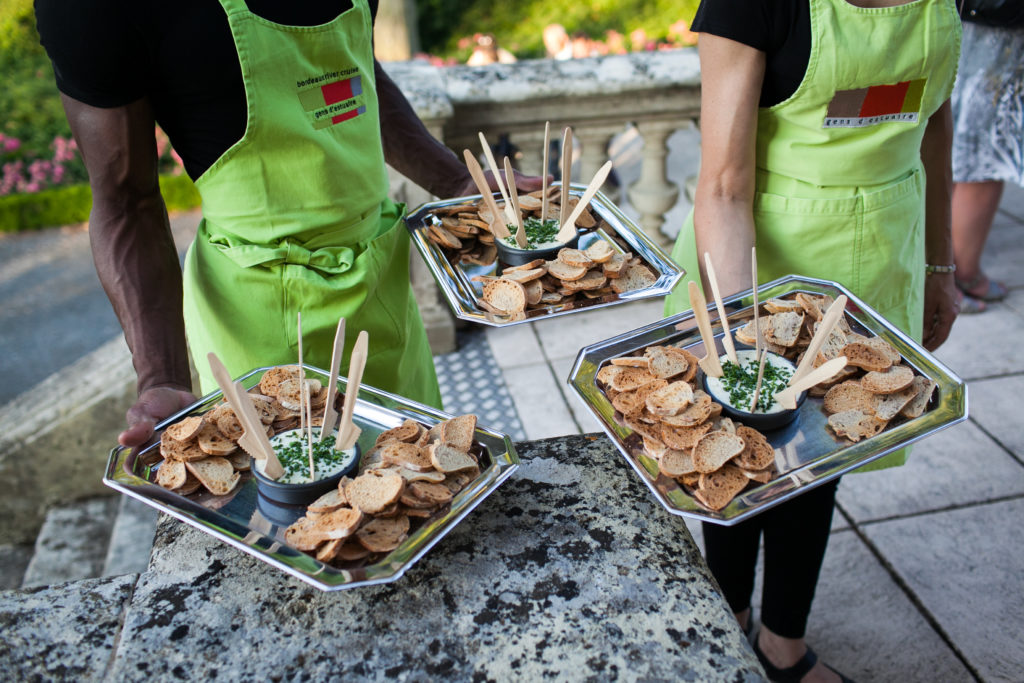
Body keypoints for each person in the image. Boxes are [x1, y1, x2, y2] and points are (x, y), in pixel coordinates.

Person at [34, 0, 540, 448]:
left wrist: (456, 181)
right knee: (308, 525)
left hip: (382, 292)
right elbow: (127, 203)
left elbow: (352, 69)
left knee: (424, 477)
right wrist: (162, 376)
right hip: (260, 324)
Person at [663, 1, 961, 681]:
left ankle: (782, 641)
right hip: (761, 262)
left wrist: (940, 265)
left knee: (824, 453)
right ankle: (730, 616)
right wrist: (741, 344)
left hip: (878, 258)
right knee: (740, 455)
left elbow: (934, 122)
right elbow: (724, 184)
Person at [950, 20, 1024, 313]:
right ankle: (960, 275)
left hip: (961, 22)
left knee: (956, 142)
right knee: (983, 153)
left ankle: (947, 274)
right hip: (995, 28)